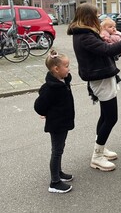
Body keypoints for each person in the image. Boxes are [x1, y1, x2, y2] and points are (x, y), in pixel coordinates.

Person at [67, 3, 121, 172]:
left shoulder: (85, 33)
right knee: (111, 117)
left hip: (102, 76)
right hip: (100, 79)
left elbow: (105, 52)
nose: (99, 19)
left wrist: (117, 51)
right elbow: (106, 49)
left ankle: (101, 147)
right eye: (96, 16)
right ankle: (97, 157)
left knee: (105, 116)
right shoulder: (85, 36)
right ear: (89, 17)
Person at [34, 49, 75, 194]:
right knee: (56, 151)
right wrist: (44, 112)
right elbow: (39, 105)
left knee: (60, 148)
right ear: (56, 69)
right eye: (66, 66)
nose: (69, 68)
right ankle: (54, 182)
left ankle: (59, 172)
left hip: (63, 122)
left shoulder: (62, 81)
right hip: (57, 124)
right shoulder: (51, 88)